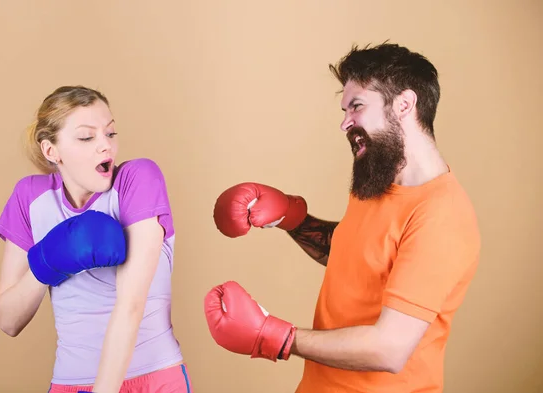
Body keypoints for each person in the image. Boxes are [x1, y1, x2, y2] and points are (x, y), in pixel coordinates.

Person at [204, 43, 481, 393]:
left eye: (357, 106)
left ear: (405, 104)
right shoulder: (376, 180)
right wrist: (290, 219)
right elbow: (354, 255)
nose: (345, 122)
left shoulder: (441, 215)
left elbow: (389, 349)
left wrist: (273, 335)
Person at [0, 86, 193, 393]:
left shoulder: (137, 180)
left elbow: (131, 305)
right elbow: (9, 321)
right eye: (87, 137)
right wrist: (46, 261)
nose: (106, 147)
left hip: (153, 378)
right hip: (69, 382)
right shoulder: (30, 198)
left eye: (110, 134)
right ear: (51, 151)